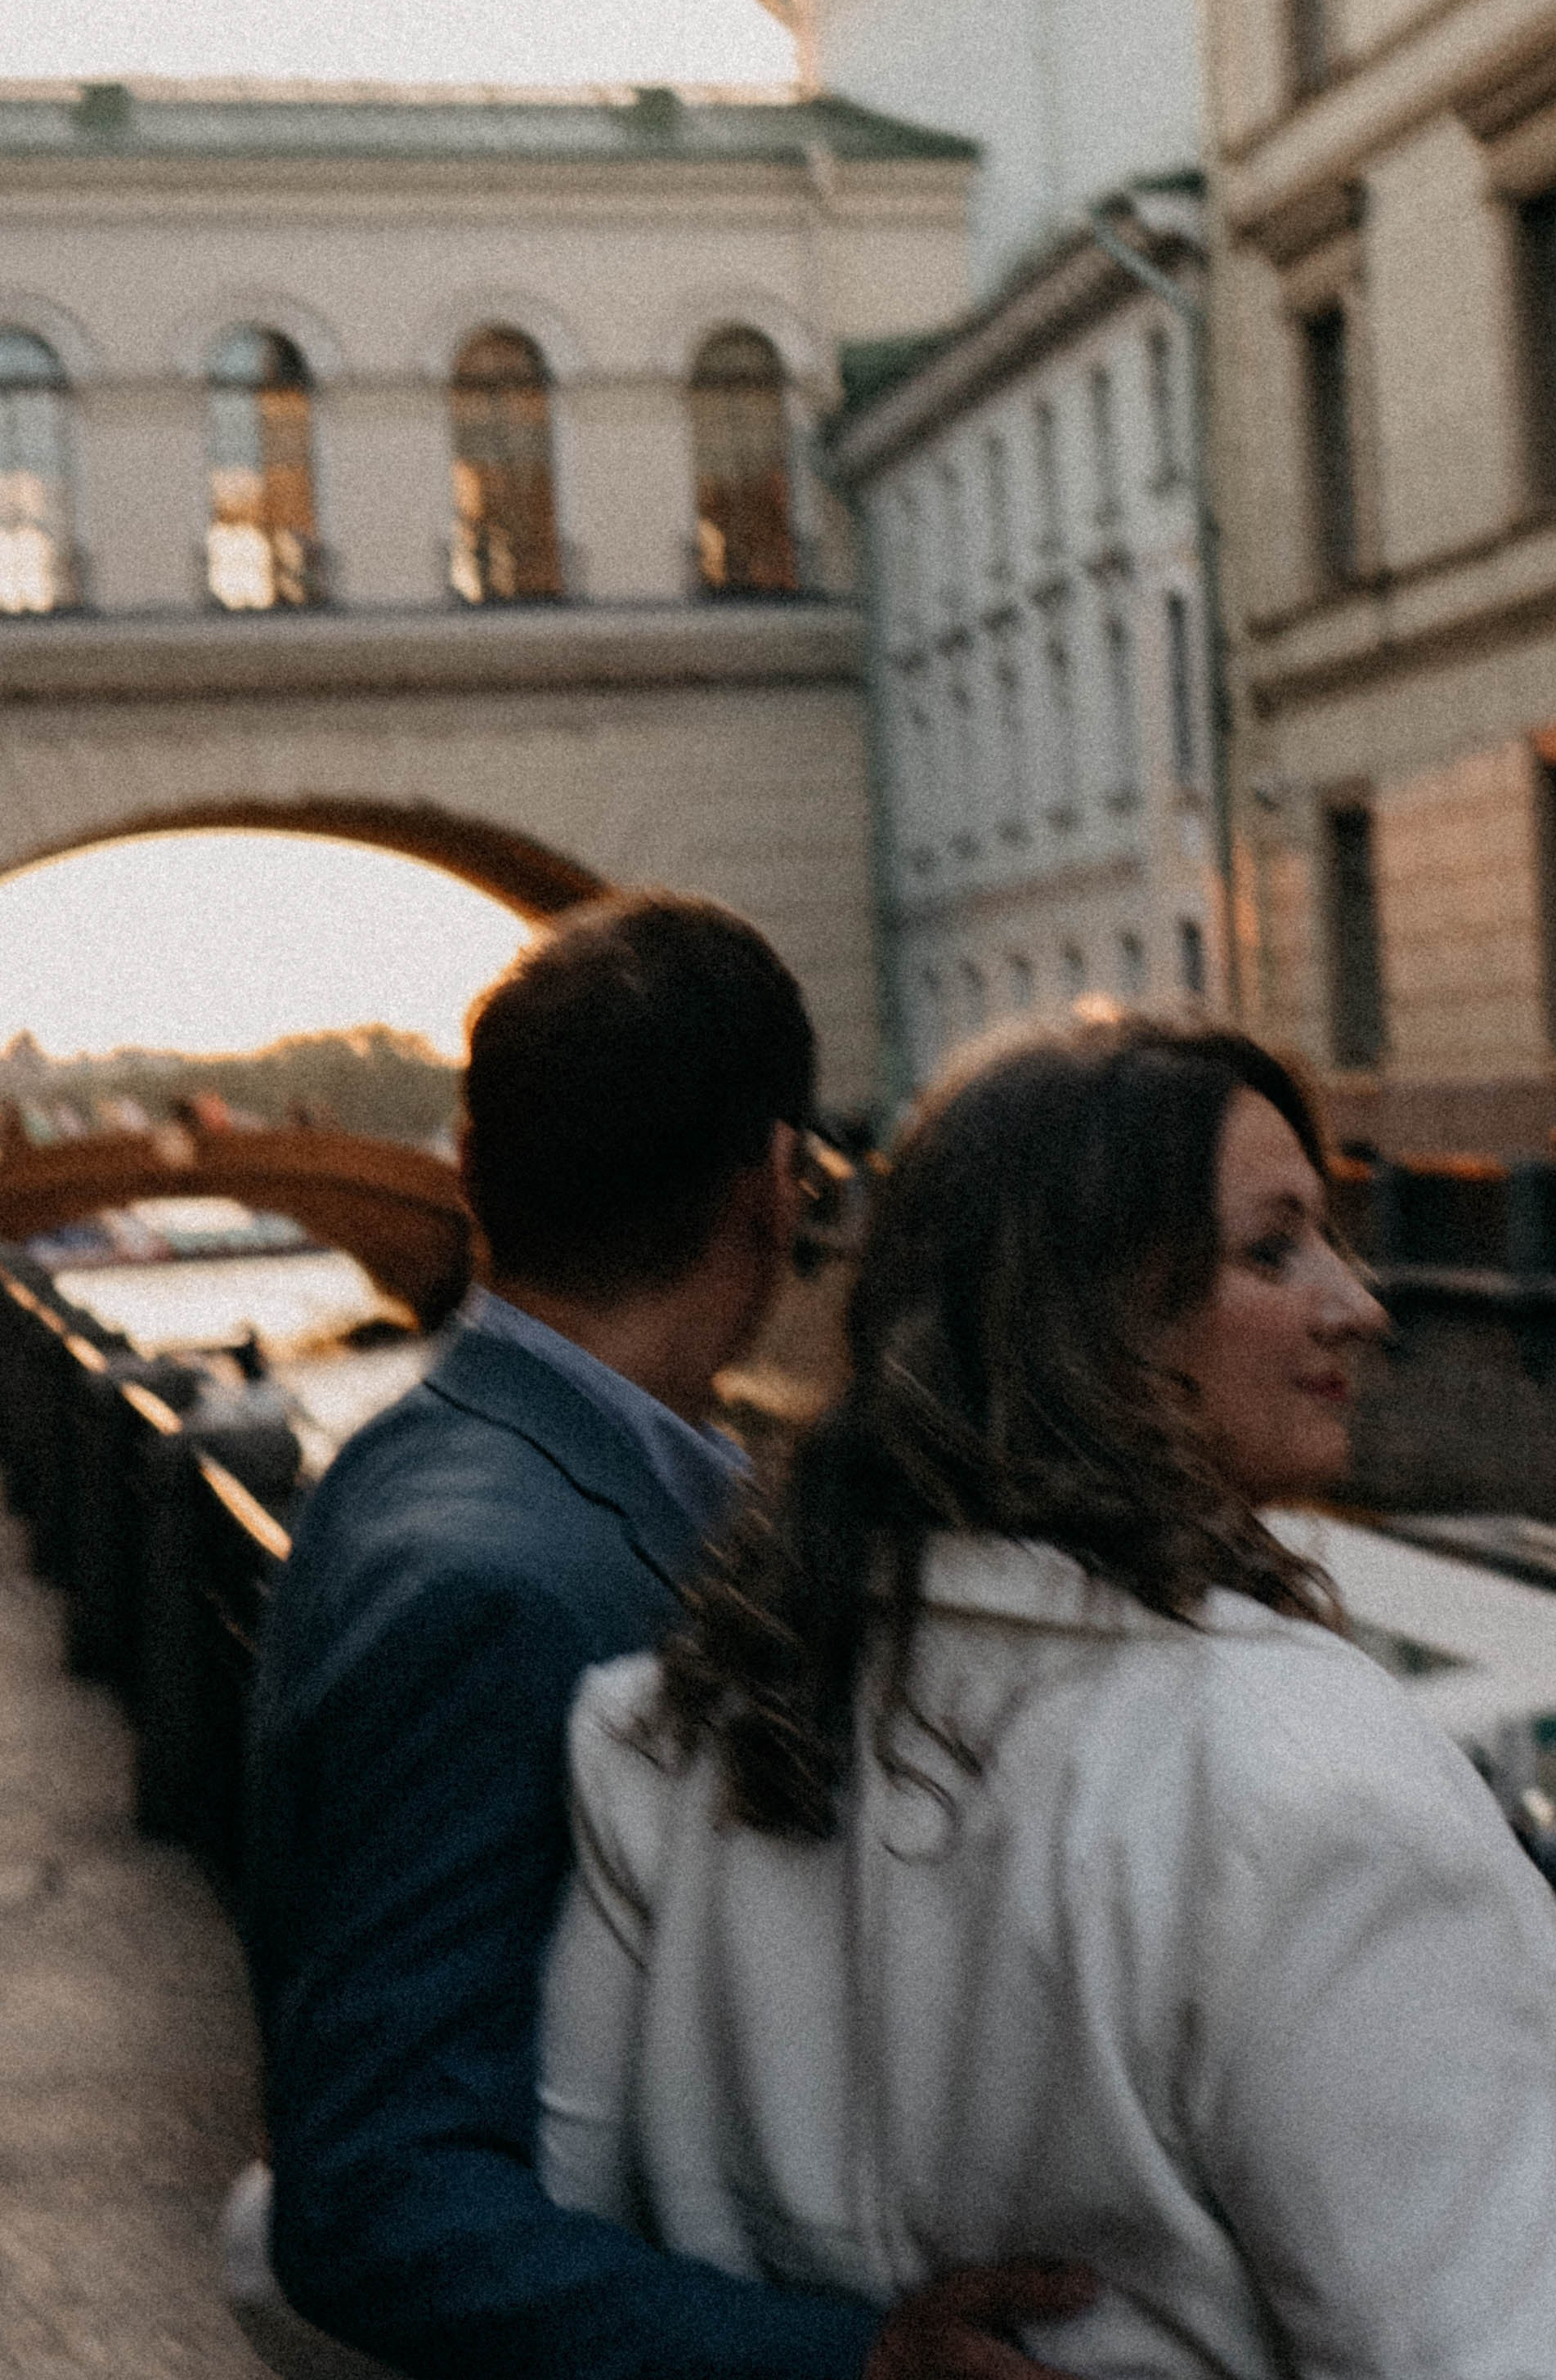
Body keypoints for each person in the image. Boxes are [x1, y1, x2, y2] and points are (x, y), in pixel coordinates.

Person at [539, 1015, 1556, 2380]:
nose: (1357, 1302)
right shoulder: (1310, 1797)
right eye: (1274, 1248)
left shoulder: (662, 1736)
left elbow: (563, 2255)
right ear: (1091, 1321)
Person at [240, 894, 1089, 2380]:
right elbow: (378, 2199)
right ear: (775, 1181)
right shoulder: (504, 1591)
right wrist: (851, 2361)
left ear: (469, 1168)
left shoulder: (409, 1466)